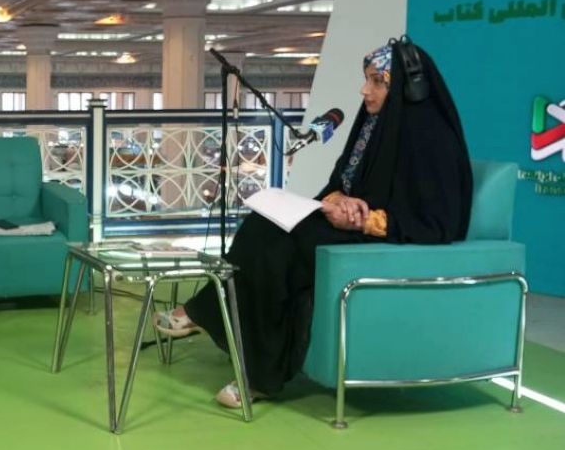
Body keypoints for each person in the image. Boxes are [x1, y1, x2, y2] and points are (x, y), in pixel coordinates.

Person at [154, 39, 473, 408]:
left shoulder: (432, 140)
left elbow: (436, 220)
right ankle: (219, 321)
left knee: (280, 250)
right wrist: (339, 201)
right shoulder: (373, 125)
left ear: (408, 86)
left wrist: (364, 220)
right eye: (366, 79)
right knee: (259, 227)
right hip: (349, 226)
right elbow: (343, 183)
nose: (364, 90)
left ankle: (260, 375)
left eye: (377, 82)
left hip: (386, 239)